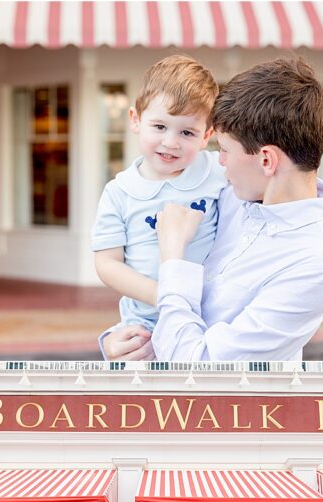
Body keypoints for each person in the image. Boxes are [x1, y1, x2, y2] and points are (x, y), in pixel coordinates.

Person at [101, 57, 323, 362]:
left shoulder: (317, 265)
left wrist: (173, 256)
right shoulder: (226, 194)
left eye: (224, 150)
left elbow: (199, 364)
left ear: (266, 160)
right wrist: (117, 340)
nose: (217, 162)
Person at [92, 55, 225, 334]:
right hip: (145, 321)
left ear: (206, 136)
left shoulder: (217, 170)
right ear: (136, 120)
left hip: (209, 315)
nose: (171, 142)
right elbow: (107, 263)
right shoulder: (119, 192)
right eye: (160, 127)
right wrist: (163, 295)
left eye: (187, 132)